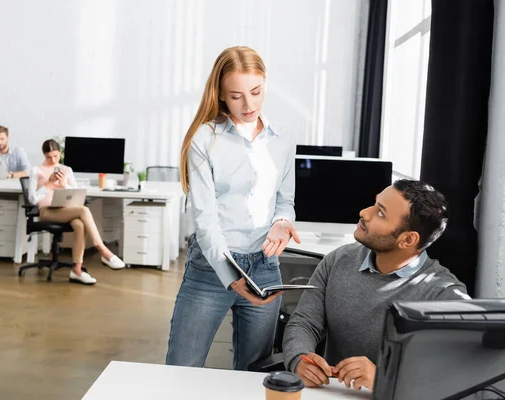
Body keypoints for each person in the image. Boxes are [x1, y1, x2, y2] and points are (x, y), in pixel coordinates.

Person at [166, 46, 301, 370]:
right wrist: (230, 275)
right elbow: (205, 218)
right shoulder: (204, 139)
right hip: (212, 267)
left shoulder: (281, 139)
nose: (249, 105)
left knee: (254, 373)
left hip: (265, 266)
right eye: (236, 96)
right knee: (181, 369)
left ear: (265, 83)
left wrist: (282, 221)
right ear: (221, 95)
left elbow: (285, 199)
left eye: (255, 92)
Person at [283, 179, 470, 391]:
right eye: (374, 203)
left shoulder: (444, 295)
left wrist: (385, 379)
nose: (364, 212)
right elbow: (304, 322)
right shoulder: (338, 260)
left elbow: (456, 377)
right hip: (331, 394)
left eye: (381, 212)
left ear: (407, 240)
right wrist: (299, 358)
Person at [27, 139, 126, 285]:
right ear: (44, 155)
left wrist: (63, 185)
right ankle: (103, 250)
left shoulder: (67, 170)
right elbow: (32, 200)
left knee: (80, 224)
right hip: (47, 211)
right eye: (49, 157)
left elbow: (77, 193)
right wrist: (48, 184)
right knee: (84, 210)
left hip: (66, 209)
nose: (53, 160)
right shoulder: (36, 170)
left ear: (60, 153)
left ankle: (77, 271)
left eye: (55, 156)